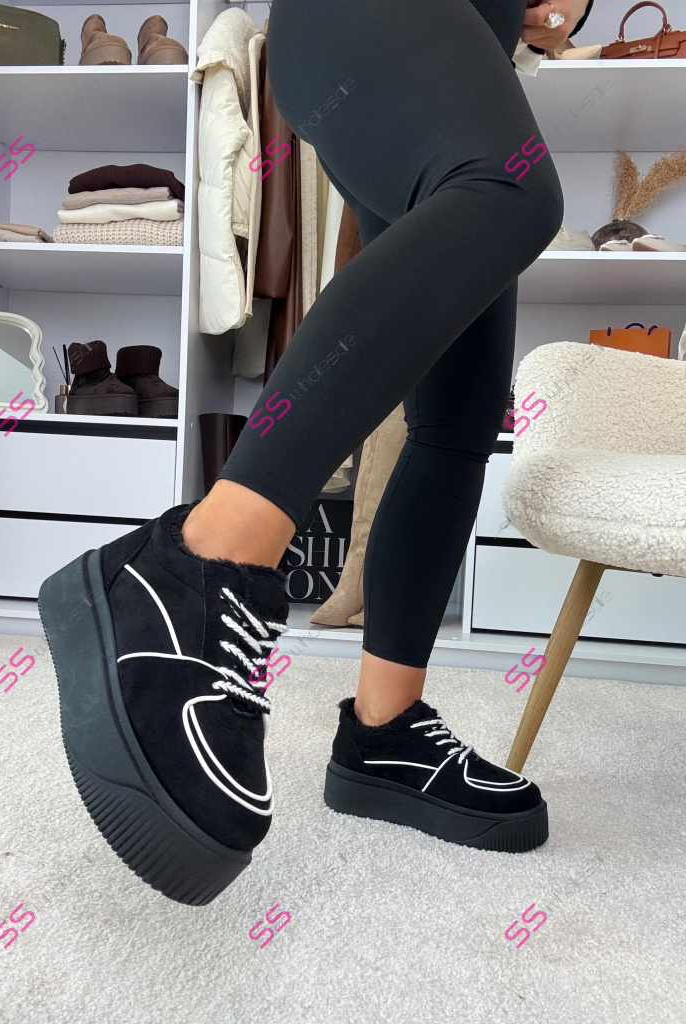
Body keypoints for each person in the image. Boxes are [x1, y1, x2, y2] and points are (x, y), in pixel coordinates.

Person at [38, 0, 593, 906]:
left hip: (453, 50)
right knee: (513, 190)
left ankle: (384, 733)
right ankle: (195, 565)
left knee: (456, 414)